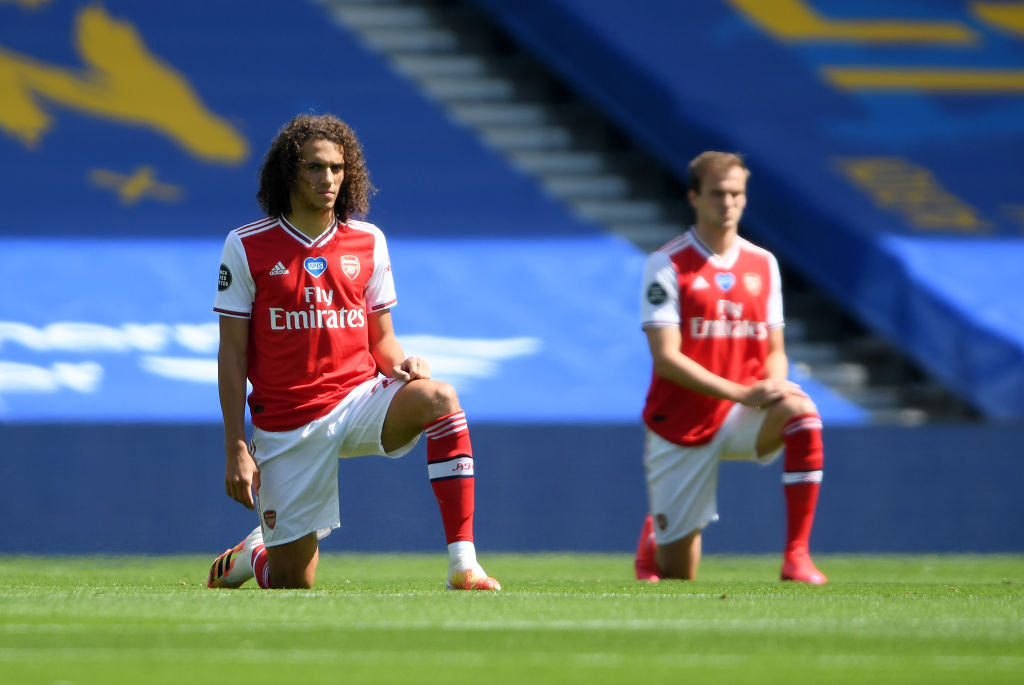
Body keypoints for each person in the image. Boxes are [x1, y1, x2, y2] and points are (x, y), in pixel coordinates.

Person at [205, 113, 500, 591]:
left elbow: (381, 340)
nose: (328, 179)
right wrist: (236, 446)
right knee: (291, 584)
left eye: (337, 169)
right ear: (289, 172)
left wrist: (404, 364)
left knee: (440, 397)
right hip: (288, 422)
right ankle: (254, 555)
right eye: (315, 168)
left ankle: (464, 565)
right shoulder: (246, 246)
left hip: (358, 397)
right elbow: (232, 354)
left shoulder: (368, 241)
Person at [633, 151, 827, 584]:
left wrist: (775, 383)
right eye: (718, 193)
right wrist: (742, 391)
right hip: (681, 419)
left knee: (804, 415)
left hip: (745, 414)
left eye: (736, 193)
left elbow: (775, 346)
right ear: (694, 198)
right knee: (679, 575)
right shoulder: (666, 263)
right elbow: (666, 359)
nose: (728, 202)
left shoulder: (763, 263)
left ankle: (796, 556)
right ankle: (655, 540)